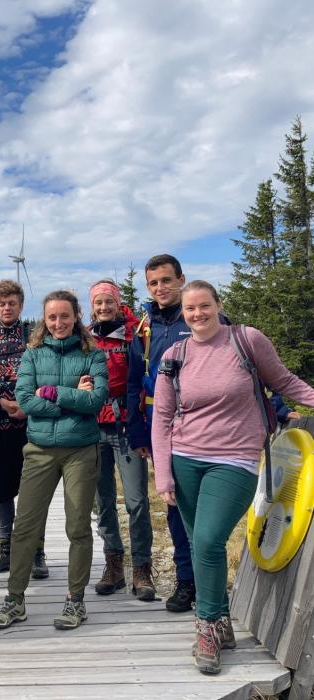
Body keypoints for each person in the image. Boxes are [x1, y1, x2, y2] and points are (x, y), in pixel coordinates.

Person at [151, 280, 314, 674]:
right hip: (185, 457)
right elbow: (161, 415)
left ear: (218, 305)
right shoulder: (175, 354)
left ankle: (205, 626)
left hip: (236, 459)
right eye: (190, 309)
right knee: (199, 543)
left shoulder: (246, 340)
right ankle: (221, 620)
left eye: (204, 306)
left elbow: (284, 381)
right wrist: (163, 474)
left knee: (208, 539)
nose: (197, 314)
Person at [0, 290, 109, 630]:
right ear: (45, 319)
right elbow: (25, 399)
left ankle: (75, 600)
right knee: (24, 527)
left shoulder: (91, 354)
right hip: (39, 450)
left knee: (77, 527)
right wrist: (74, 398)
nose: (58, 323)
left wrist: (52, 392)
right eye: (52, 317)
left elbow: (97, 400)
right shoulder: (33, 354)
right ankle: (15, 599)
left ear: (76, 317)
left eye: (65, 316)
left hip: (80, 451)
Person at [126, 254, 196, 612]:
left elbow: (243, 367)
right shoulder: (144, 330)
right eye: (153, 283)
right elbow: (133, 383)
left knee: (205, 506)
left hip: (203, 423)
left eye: (166, 280)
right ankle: (186, 581)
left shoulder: (201, 316)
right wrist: (137, 433)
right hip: (161, 424)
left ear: (181, 280)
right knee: (173, 502)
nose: (160, 288)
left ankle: (206, 579)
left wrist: (276, 409)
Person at [0, 280, 49, 579]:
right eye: (2, 303)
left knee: (35, 492)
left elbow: (47, 372)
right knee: (1, 492)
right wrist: (1, 401)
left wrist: (26, 403)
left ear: (20, 304)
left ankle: (36, 551)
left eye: (12, 302)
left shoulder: (36, 337)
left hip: (33, 427)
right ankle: (6, 549)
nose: (7, 307)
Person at [88, 279, 155, 601]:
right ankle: (113, 563)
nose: (103, 308)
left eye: (108, 302)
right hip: (94, 426)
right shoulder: (86, 337)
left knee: (137, 501)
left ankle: (142, 567)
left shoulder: (136, 333)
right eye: (98, 303)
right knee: (102, 502)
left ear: (117, 303)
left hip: (128, 425)